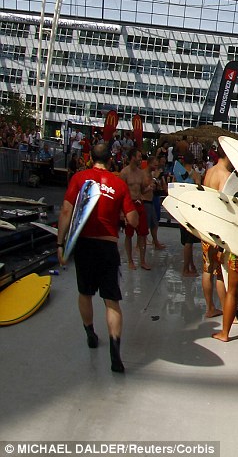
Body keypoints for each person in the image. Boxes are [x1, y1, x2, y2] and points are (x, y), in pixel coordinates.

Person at [57, 143, 139, 373]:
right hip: (107, 245)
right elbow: (133, 220)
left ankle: (90, 333)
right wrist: (127, 213)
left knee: (85, 292)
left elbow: (66, 211)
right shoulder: (119, 184)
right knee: (111, 300)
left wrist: (60, 244)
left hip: (84, 244)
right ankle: (115, 354)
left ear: (90, 158)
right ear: (111, 160)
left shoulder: (79, 178)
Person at [205, 154, 238, 342]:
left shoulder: (209, 171)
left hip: (206, 227)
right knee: (225, 275)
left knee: (210, 270)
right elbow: (227, 208)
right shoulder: (225, 176)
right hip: (220, 232)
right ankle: (227, 316)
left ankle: (211, 308)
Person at [119, 149, 151, 270]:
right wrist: (121, 211)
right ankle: (130, 260)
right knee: (129, 234)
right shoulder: (124, 173)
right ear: (132, 157)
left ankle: (142, 260)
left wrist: (149, 188)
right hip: (129, 205)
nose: (140, 159)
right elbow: (121, 193)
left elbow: (142, 190)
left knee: (142, 234)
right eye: (138, 156)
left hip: (139, 202)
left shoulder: (141, 173)